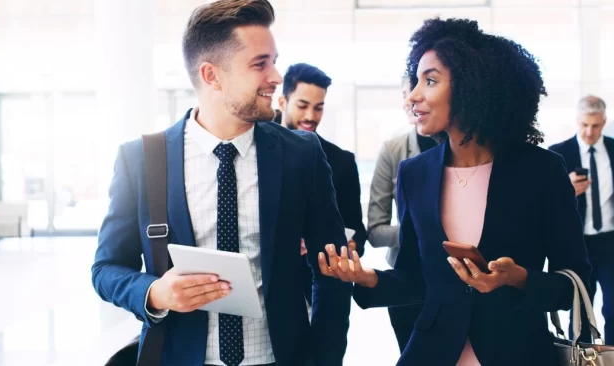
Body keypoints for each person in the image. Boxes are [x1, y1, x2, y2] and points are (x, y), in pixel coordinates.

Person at [91, 1, 352, 365]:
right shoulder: (142, 159)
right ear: (211, 75)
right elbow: (105, 269)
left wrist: (324, 358)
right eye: (260, 64)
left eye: (274, 60)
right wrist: (154, 293)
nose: (276, 76)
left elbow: (333, 270)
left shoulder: (301, 155)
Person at [318, 17, 591, 365]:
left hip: (518, 351)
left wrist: (519, 278)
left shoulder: (542, 170)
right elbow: (416, 279)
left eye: (430, 81)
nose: (414, 95)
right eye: (415, 80)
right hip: (433, 353)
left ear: (471, 86)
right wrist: (368, 278)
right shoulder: (414, 173)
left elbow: (575, 282)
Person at [278, 62, 367, 304]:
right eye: (302, 106)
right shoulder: (256, 153)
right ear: (282, 103)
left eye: (318, 108)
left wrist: (350, 245)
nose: (310, 117)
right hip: (268, 288)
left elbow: (357, 229)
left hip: (322, 292)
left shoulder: (342, 161)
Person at [367, 74, 439, 352]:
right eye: (406, 93)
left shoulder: (463, 150)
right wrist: (422, 231)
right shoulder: (393, 150)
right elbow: (375, 232)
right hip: (407, 282)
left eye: (423, 90)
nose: (411, 100)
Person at [549, 95, 614, 345]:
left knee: (612, 309)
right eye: (585, 124)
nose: (589, 131)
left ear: (604, 122)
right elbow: (544, 203)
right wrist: (566, 189)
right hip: (578, 244)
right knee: (581, 313)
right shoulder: (558, 154)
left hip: (610, 242)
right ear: (577, 121)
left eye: (596, 125)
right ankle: (582, 359)